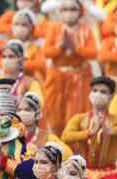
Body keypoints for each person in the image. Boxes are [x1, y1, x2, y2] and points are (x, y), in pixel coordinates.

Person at [43, 0, 97, 134]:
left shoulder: (86, 29)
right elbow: (46, 52)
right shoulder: (54, 29)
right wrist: (59, 47)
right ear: (60, 12)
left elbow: (94, 53)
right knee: (54, 118)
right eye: (65, 9)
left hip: (78, 79)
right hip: (56, 79)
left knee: (74, 118)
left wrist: (76, 47)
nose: (69, 13)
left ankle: (74, 150)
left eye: (73, 9)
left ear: (80, 12)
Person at [0, 39, 43, 107]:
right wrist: (1, 100)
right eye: (4, 57)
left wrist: (22, 101)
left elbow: (39, 102)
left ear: (22, 61)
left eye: (11, 56)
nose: (6, 60)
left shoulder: (29, 82)